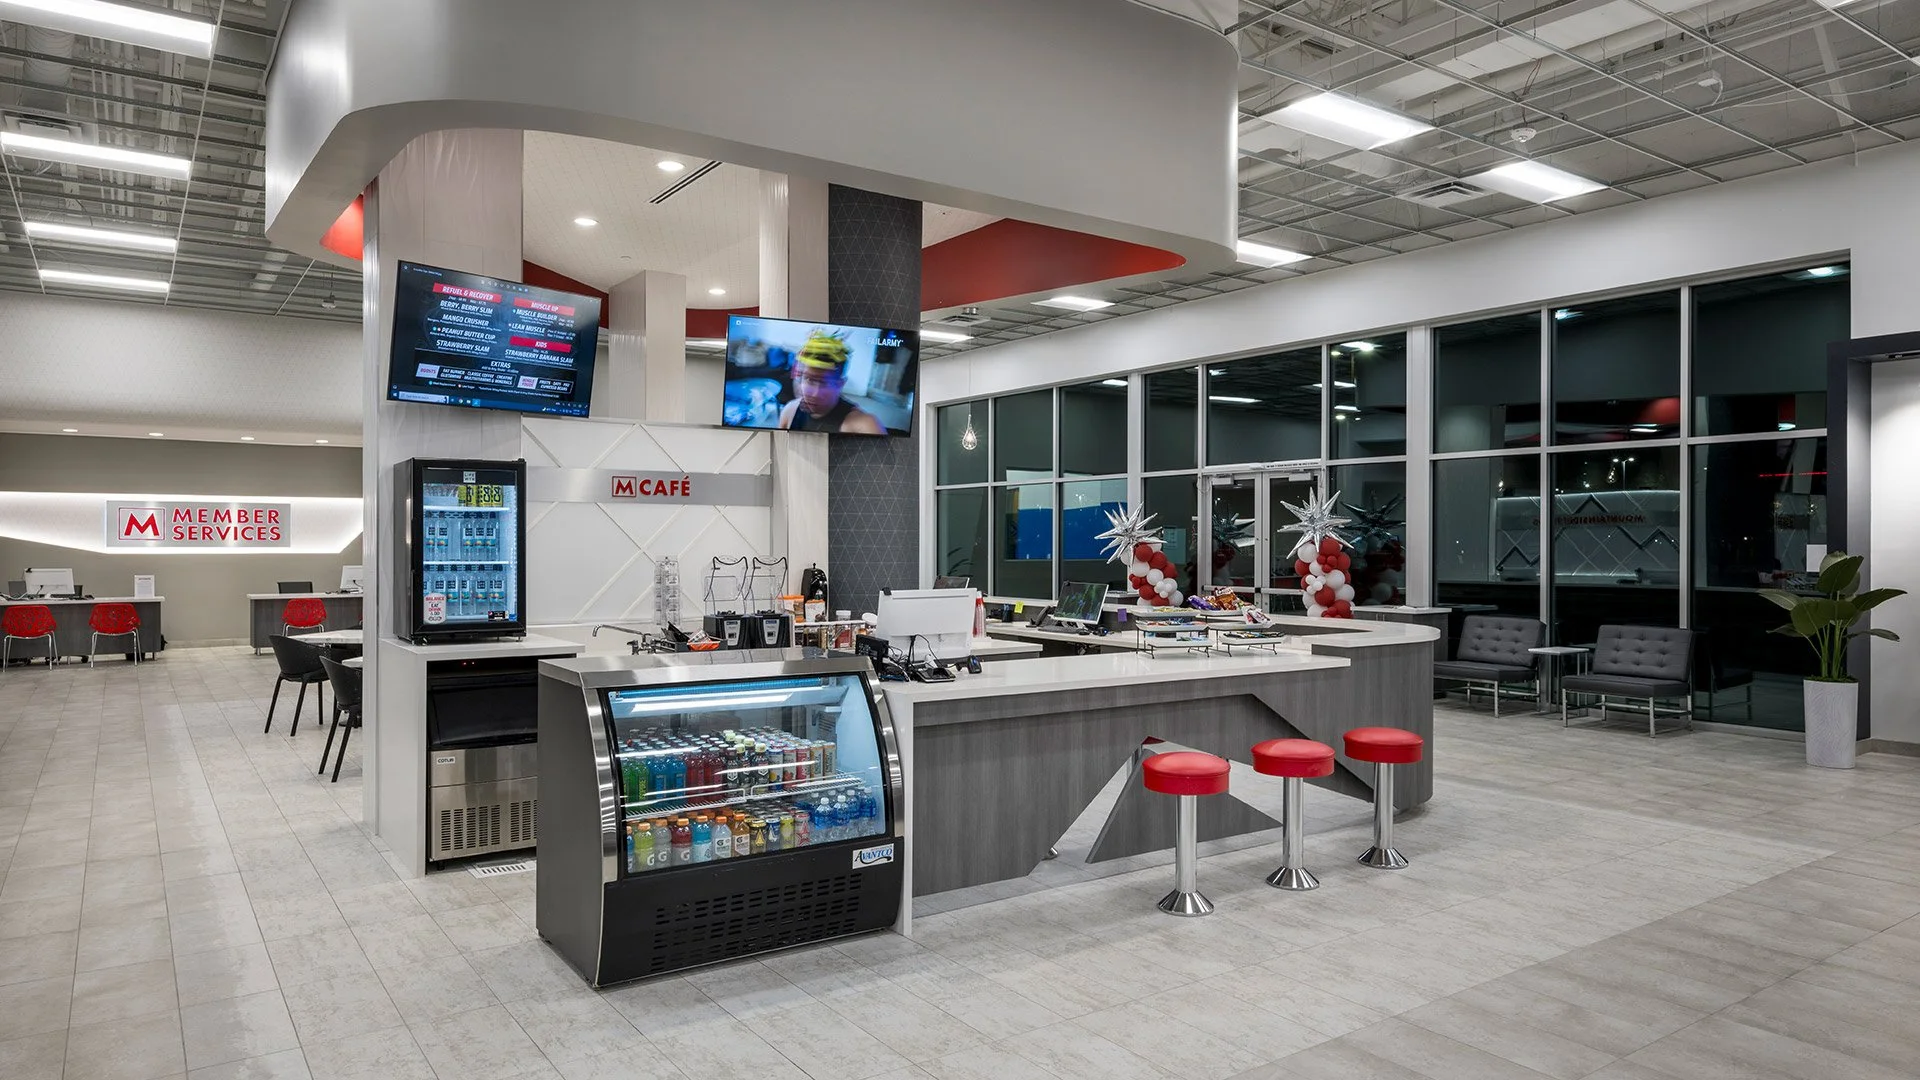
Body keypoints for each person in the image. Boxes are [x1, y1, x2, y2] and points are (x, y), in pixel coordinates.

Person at [778, 329, 886, 434]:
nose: (815, 393)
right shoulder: (790, 411)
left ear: (841, 384)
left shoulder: (865, 426)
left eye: (825, 383)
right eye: (809, 380)